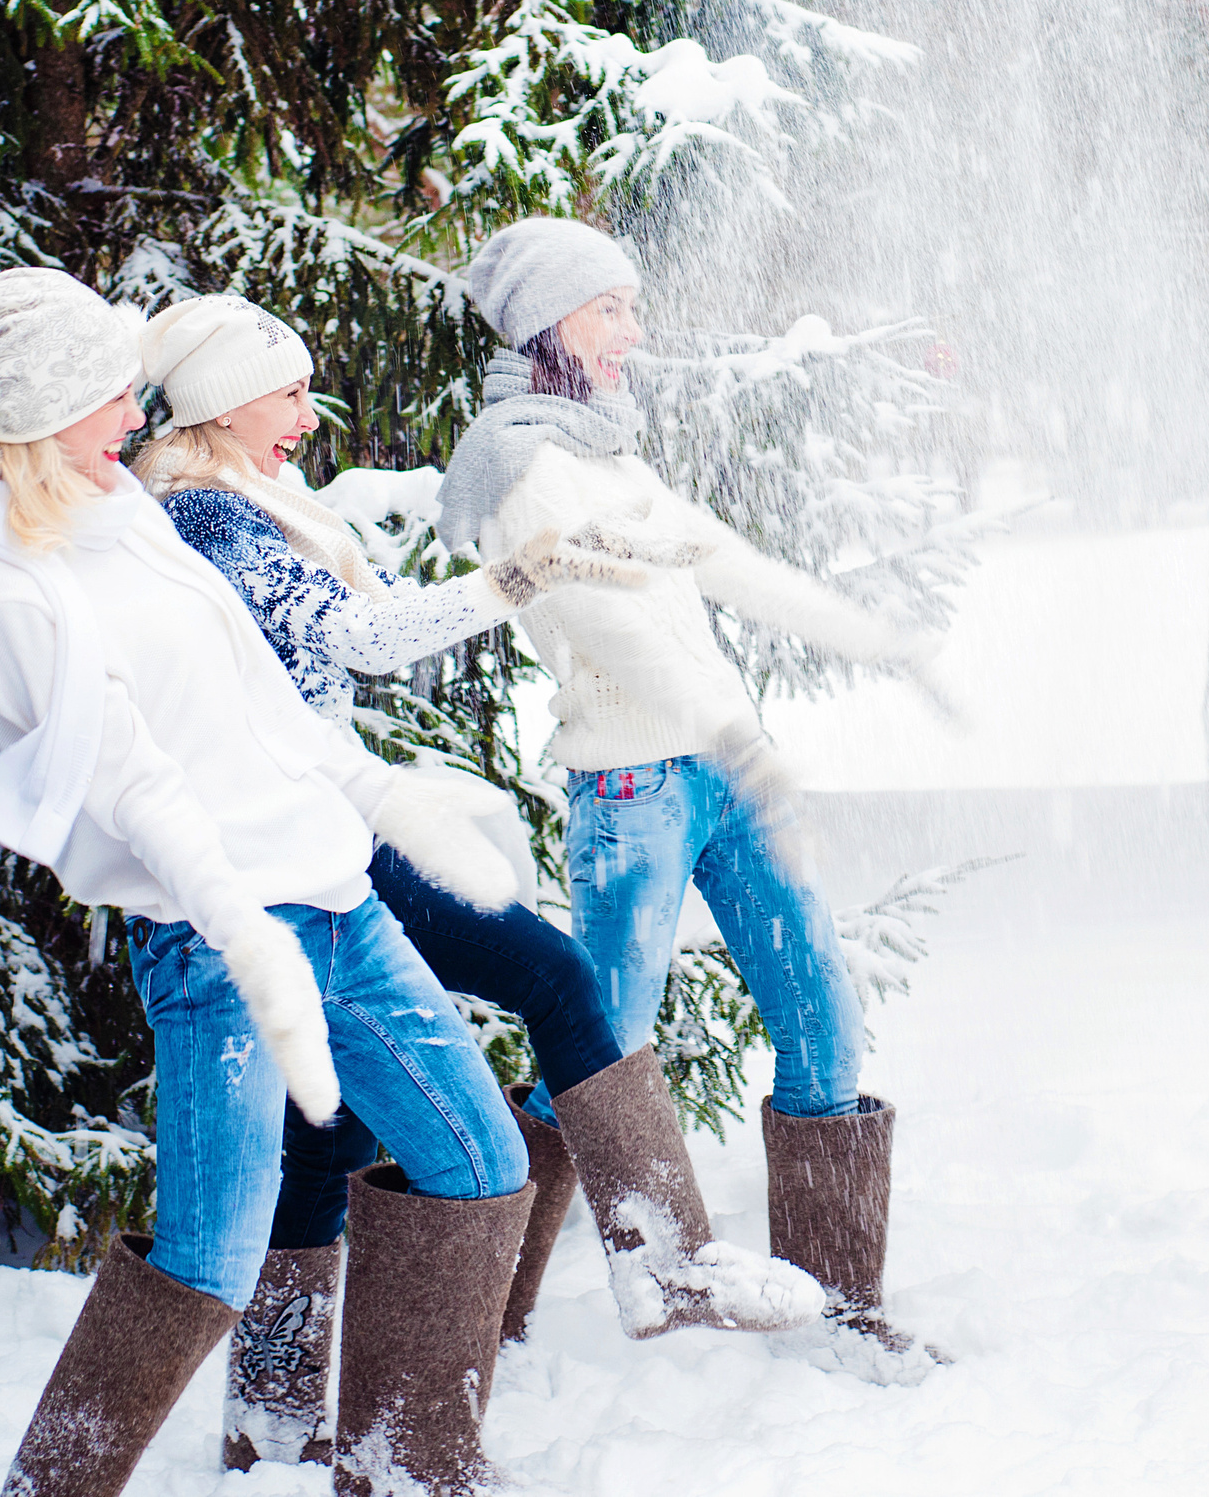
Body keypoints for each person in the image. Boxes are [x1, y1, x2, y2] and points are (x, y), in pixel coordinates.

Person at [131, 294, 822, 1470]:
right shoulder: (206, 514)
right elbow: (355, 635)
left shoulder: (245, 502)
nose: (308, 409)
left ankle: (278, 1415)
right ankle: (660, 1258)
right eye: (286, 389)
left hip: (321, 819)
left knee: (331, 1124)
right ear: (217, 399)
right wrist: (514, 578)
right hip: (308, 832)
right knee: (549, 975)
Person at [0, 261, 534, 1497]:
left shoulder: (123, 517)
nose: (135, 417)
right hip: (218, 942)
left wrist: (378, 804)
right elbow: (136, 791)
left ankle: (409, 1466)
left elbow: (261, 707)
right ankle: (55, 1485)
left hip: (338, 906)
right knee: (211, 1255)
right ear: (42, 412)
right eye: (110, 396)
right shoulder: (18, 593)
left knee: (480, 1155)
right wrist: (245, 931)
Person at [439, 217, 951, 1383]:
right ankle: (484, 1313)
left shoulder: (611, 452)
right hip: (633, 788)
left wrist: (881, 640)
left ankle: (837, 1303)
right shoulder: (522, 462)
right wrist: (735, 736)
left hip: (723, 774)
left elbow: (726, 563)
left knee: (817, 998)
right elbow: (607, 628)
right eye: (612, 307)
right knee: (601, 1046)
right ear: (549, 321)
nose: (633, 330)